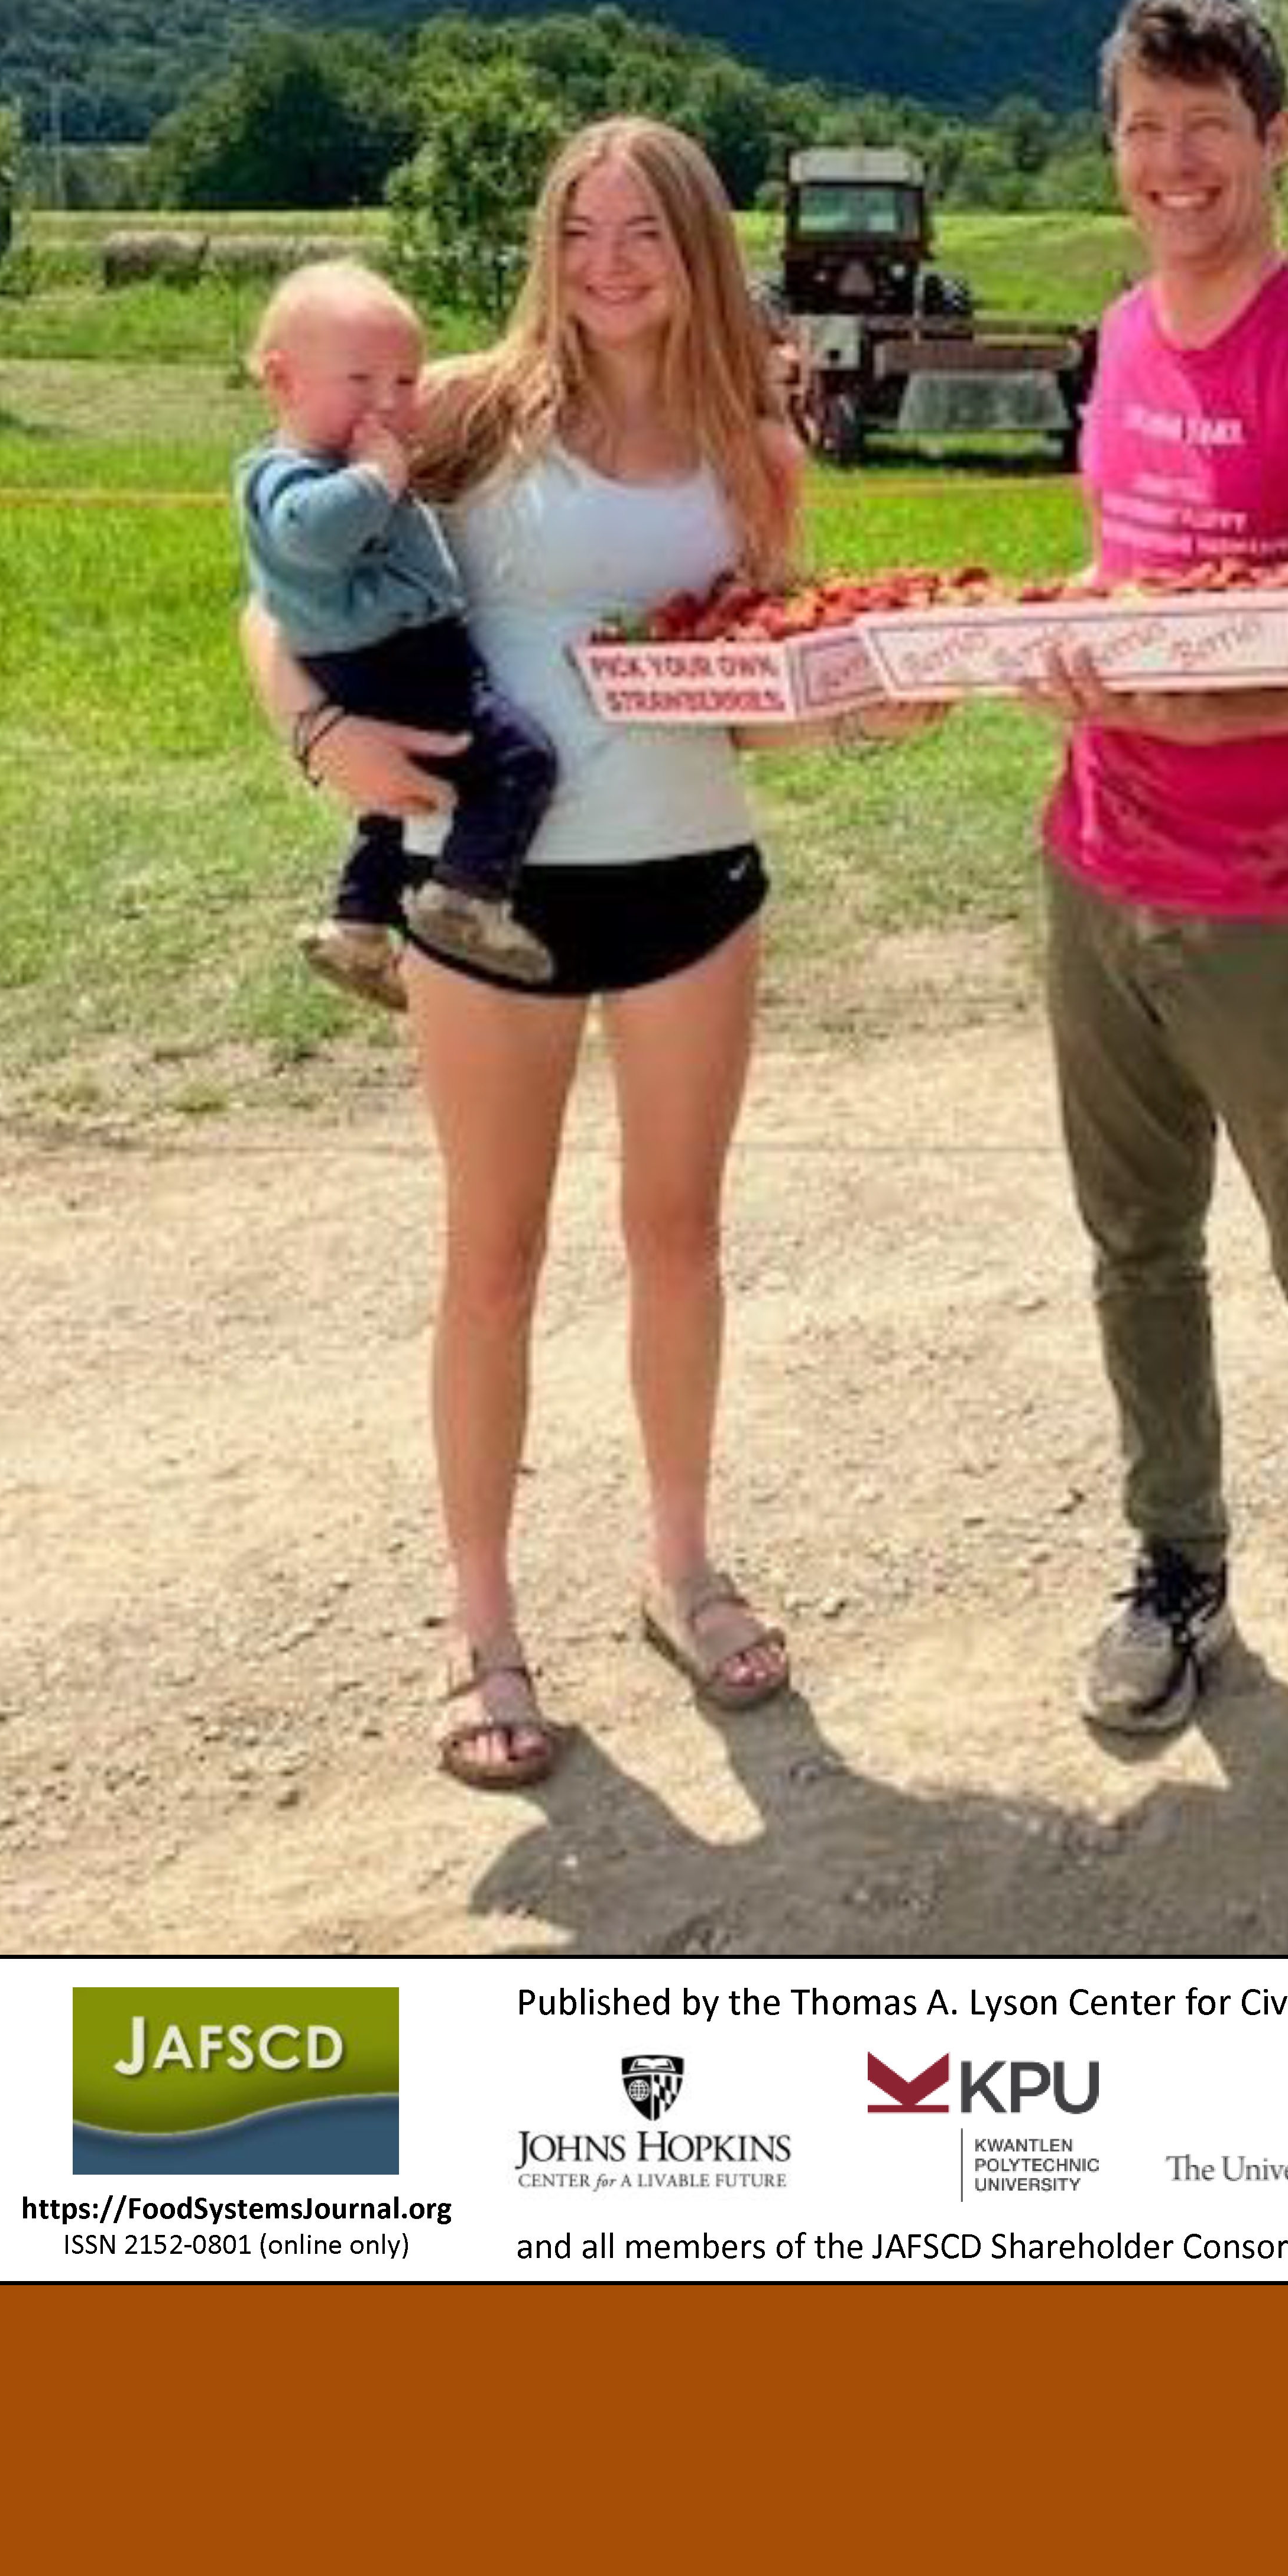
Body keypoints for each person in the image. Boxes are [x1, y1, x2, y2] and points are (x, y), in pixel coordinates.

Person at [243, 118, 871, 1787]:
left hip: (692, 880)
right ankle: (483, 1618)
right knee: (494, 1261)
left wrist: (859, 704)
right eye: (580, 231)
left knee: (678, 1238)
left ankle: (677, 1565)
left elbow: (761, 687)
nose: (607, 263)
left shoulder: (755, 443)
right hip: (484, 895)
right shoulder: (457, 409)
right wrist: (321, 742)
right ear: (549, 245)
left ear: (696, 252)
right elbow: (274, 589)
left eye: (642, 235)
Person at [1031, 0, 1288, 1786]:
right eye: (1140, 126)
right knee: (1136, 1248)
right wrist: (1069, 646)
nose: (1169, 162)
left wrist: (1209, 697)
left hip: (1273, 895)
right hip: (1093, 864)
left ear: (1274, 142)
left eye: (1205, 125)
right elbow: (1132, 567)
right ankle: (1178, 1574)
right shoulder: (1120, 334)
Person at [237, 258, 559, 1013]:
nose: (388, 405)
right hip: (389, 657)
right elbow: (309, 538)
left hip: (387, 657)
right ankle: (466, 898)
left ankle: (357, 926)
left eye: (405, 384)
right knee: (518, 759)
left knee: (400, 798)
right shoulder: (288, 474)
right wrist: (380, 476)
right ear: (283, 382)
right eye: (361, 383)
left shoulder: (340, 458)